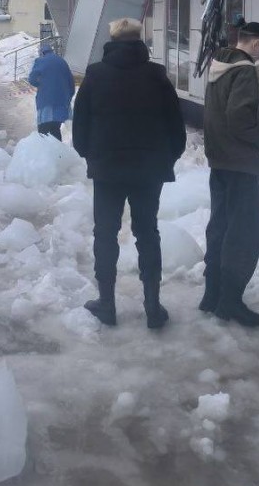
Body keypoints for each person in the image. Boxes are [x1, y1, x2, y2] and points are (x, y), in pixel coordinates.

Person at [72, 18, 186, 330]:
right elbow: (177, 125)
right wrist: (168, 157)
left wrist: (90, 154)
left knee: (105, 233)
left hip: (107, 170)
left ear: (111, 40)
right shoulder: (156, 75)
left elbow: (79, 124)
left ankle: (107, 304)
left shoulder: (96, 74)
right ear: (139, 40)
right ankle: (152, 306)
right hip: (149, 170)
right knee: (147, 233)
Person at [200, 18, 259, 328]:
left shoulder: (220, 63)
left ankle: (212, 293)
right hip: (241, 162)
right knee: (243, 233)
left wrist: (257, 108)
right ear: (255, 43)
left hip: (220, 159)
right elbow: (238, 117)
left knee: (221, 227)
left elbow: (225, 110)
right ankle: (230, 302)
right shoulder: (245, 70)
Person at [28, 44, 75, 140]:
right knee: (55, 131)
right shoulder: (62, 61)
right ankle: (58, 153)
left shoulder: (40, 61)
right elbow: (71, 83)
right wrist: (68, 97)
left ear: (42, 53)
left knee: (43, 132)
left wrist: (41, 84)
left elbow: (32, 79)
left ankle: (46, 153)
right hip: (61, 103)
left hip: (46, 102)